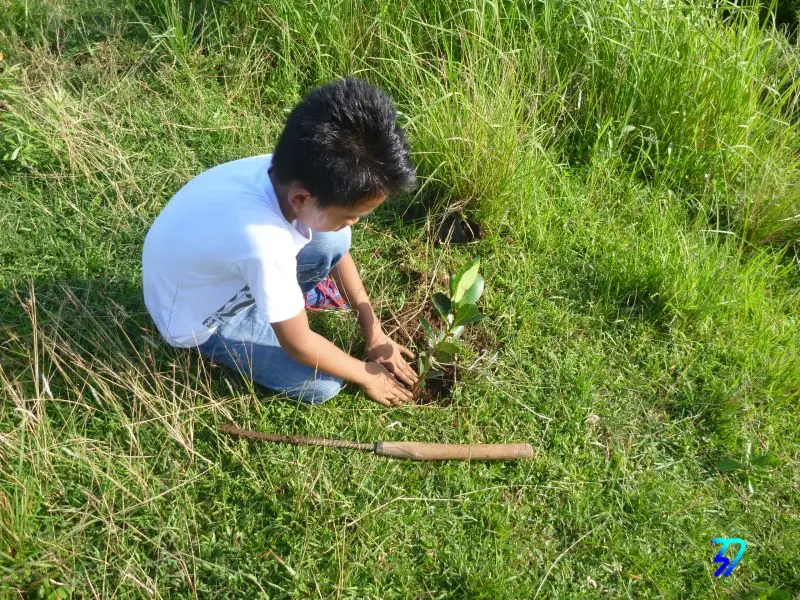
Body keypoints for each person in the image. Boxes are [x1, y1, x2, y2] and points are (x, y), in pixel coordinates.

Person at [142, 77, 419, 407]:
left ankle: (281, 303)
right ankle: (256, 321)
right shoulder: (264, 243)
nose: (355, 223)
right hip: (199, 320)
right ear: (302, 198)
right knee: (322, 386)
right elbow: (298, 344)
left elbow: (338, 247)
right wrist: (366, 374)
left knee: (334, 239)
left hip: (201, 273)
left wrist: (373, 331)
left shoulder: (285, 171)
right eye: (349, 214)